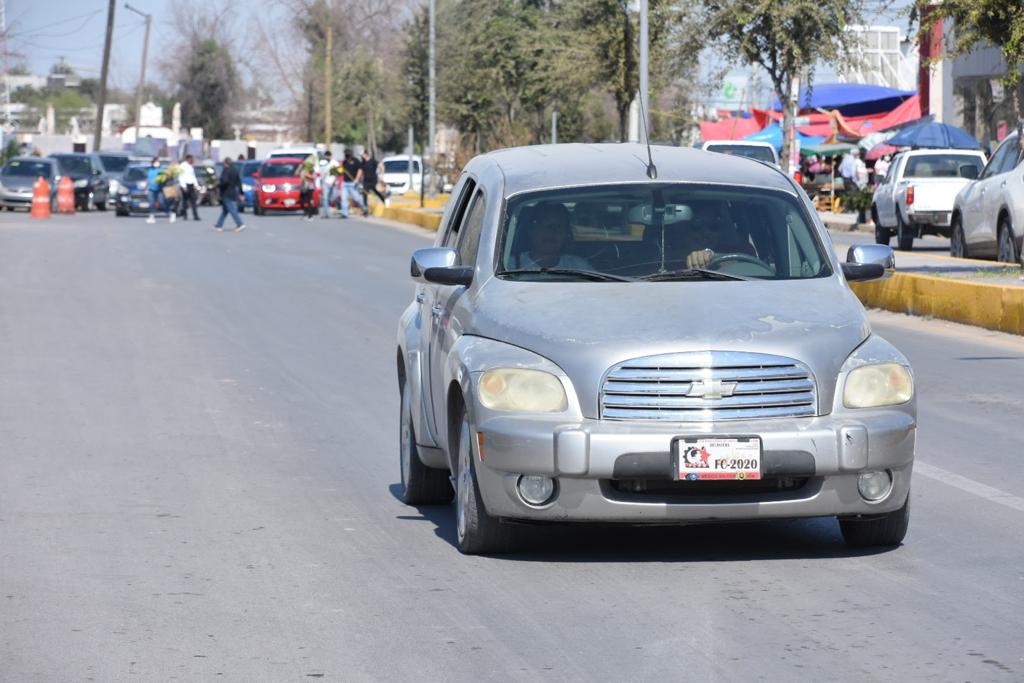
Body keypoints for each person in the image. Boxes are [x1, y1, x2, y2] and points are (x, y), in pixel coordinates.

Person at [675, 201, 754, 269]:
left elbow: (751, 267)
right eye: (697, 226)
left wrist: (713, 257)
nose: (706, 233)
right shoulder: (670, 256)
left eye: (713, 227)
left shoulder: (737, 250)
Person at [513, 203, 592, 270]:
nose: (551, 231)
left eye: (558, 226)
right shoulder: (511, 265)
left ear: (566, 234)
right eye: (544, 225)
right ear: (531, 230)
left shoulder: (578, 266)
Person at [213, 157, 245, 232]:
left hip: (226, 193)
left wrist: (218, 185)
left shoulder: (226, 170)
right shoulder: (235, 170)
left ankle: (240, 224)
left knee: (232, 209)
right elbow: (239, 182)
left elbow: (225, 181)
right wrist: (241, 193)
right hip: (233, 192)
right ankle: (219, 225)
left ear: (226, 163)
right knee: (225, 210)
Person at [357, 149, 387, 216]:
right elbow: (360, 171)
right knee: (364, 194)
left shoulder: (373, 161)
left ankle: (384, 201)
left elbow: (382, 167)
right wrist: (357, 179)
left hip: (373, 180)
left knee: (376, 192)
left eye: (362, 155)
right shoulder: (362, 163)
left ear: (366, 154)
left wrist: (382, 176)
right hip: (366, 181)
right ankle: (365, 210)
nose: (361, 156)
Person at [339, 149, 366, 219]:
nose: (347, 156)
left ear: (351, 155)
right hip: (345, 183)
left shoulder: (356, 161)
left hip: (353, 183)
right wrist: (339, 171)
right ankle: (344, 213)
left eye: (348, 155)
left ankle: (364, 208)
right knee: (343, 199)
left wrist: (357, 179)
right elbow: (342, 171)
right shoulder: (344, 162)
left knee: (357, 199)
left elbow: (360, 170)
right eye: (346, 155)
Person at [177, 154, 200, 221]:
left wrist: (196, 185)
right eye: (191, 159)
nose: (193, 160)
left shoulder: (190, 166)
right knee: (185, 201)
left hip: (191, 185)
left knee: (193, 201)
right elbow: (181, 176)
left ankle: (195, 216)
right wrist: (184, 186)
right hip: (185, 185)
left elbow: (193, 176)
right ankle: (185, 215)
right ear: (188, 159)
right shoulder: (182, 166)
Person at [319, 150, 338, 219]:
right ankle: (326, 213)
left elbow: (336, 174)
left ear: (330, 156)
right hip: (326, 182)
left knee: (333, 197)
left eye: (327, 156)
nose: (326, 158)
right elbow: (322, 172)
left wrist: (333, 182)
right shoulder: (323, 162)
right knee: (325, 198)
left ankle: (331, 207)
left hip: (333, 183)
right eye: (325, 156)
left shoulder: (335, 163)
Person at [145, 157, 164, 224]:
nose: (157, 163)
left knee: (162, 202)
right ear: (153, 163)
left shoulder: (161, 171)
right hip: (151, 189)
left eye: (158, 162)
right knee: (151, 203)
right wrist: (146, 187)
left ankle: (170, 213)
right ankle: (151, 217)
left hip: (159, 189)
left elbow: (164, 179)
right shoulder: (150, 170)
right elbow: (148, 179)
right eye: (155, 162)